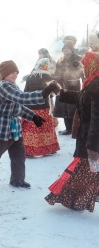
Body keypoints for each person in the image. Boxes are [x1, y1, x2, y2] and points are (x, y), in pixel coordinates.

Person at [0, 60, 60, 188]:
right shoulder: (4, 86)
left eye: (16, 72)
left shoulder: (12, 85)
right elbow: (21, 97)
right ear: (5, 73)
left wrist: (33, 116)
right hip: (2, 126)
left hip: (14, 126)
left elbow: (18, 106)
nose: (15, 75)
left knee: (19, 155)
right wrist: (43, 93)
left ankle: (17, 180)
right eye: (12, 72)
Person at [45, 51, 99, 212]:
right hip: (88, 136)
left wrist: (92, 146)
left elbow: (97, 119)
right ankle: (75, 200)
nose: (82, 68)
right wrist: (60, 91)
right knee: (88, 171)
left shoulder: (97, 86)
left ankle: (72, 199)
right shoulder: (92, 82)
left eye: (84, 65)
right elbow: (81, 97)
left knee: (84, 170)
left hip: (91, 138)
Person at [22, 58, 60, 157]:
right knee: (45, 127)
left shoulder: (30, 76)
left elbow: (25, 91)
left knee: (31, 128)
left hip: (31, 107)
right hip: (43, 106)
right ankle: (49, 149)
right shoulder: (47, 76)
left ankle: (29, 150)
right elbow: (53, 91)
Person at [53, 40, 83, 135]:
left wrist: (78, 66)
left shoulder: (77, 58)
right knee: (64, 108)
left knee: (73, 107)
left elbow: (83, 69)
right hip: (63, 84)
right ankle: (68, 128)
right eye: (64, 49)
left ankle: (76, 128)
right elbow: (56, 72)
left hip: (74, 85)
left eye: (68, 49)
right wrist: (57, 80)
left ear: (71, 50)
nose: (66, 50)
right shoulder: (60, 60)